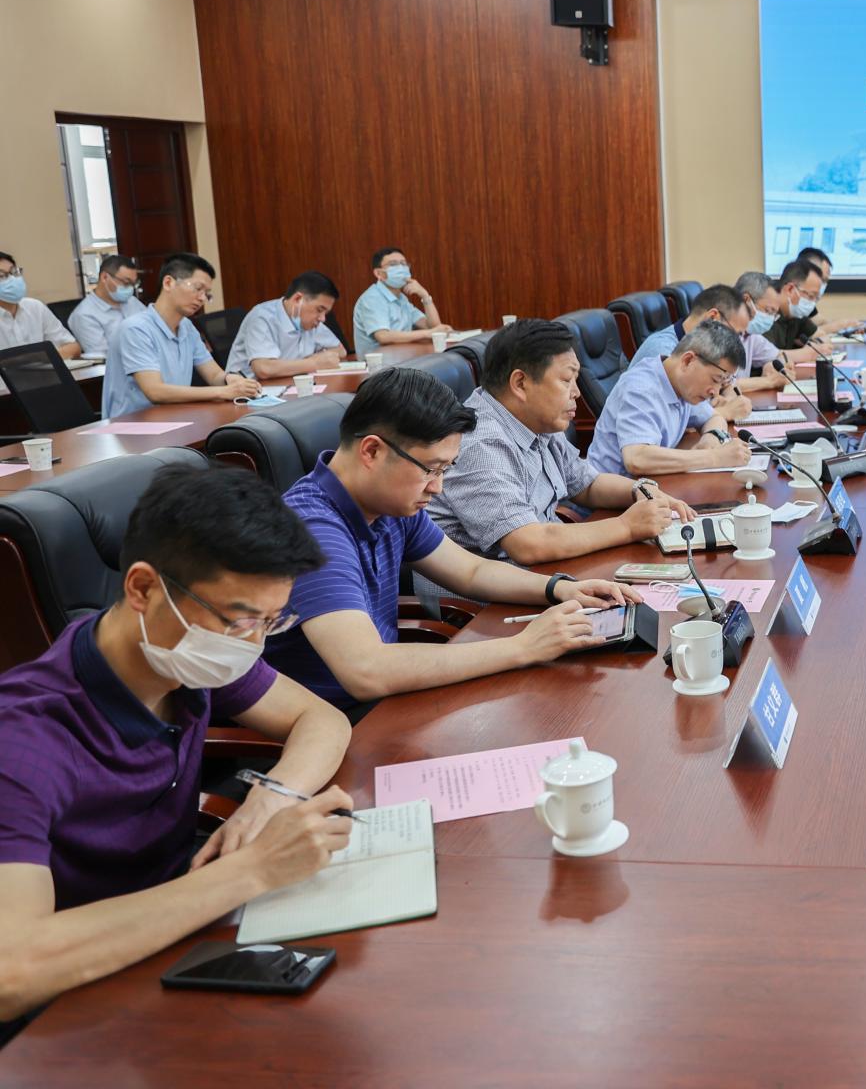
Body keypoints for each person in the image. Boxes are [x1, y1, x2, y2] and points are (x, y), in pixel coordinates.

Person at [0, 465, 354, 1036]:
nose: (251, 645)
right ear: (142, 588)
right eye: (239, 621)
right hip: (77, 1000)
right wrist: (252, 870)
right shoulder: (24, 741)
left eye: (269, 622)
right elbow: (12, 970)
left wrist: (272, 797)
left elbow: (321, 719)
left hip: (183, 928)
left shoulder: (187, 657)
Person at [263, 368, 646, 709]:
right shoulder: (312, 529)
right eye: (431, 469)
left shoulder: (388, 502)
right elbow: (367, 670)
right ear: (372, 451)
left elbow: (471, 571)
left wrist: (560, 588)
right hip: (339, 720)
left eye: (446, 469)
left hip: (391, 701)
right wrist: (523, 646)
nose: (438, 487)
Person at [429, 320, 694, 566]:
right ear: (520, 383)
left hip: (547, 572)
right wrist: (627, 526)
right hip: (494, 596)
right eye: (567, 380)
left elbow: (587, 484)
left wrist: (640, 490)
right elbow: (528, 543)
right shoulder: (481, 444)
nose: (576, 392)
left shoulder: (537, 421)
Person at [101, 252, 259, 418]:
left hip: (173, 416)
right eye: (198, 289)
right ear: (168, 283)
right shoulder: (135, 329)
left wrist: (230, 379)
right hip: (132, 425)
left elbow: (214, 375)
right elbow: (155, 391)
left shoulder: (186, 327)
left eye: (206, 293)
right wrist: (223, 392)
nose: (202, 298)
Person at [586, 321, 751, 477]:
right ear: (688, 360)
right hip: (610, 493)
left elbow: (714, 417)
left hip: (650, 487)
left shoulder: (683, 385)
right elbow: (637, 458)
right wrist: (714, 457)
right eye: (715, 379)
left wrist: (712, 436)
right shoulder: (641, 387)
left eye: (722, 383)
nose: (715, 392)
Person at [636, 285, 756, 416]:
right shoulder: (662, 349)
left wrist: (726, 399)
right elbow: (678, 415)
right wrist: (725, 412)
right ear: (712, 318)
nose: (736, 341)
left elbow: (728, 385)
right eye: (735, 334)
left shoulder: (709, 353)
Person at [224, 272, 346, 380]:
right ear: (298, 299)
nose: (322, 319)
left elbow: (340, 351)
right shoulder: (262, 317)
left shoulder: (310, 322)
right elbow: (264, 368)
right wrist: (314, 363)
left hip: (286, 384)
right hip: (248, 392)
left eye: (325, 313)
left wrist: (313, 360)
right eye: (319, 310)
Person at [0, 252, 81, 396]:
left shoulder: (35, 307)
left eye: (14, 273)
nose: (12, 280)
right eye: (2, 276)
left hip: (48, 387)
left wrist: (33, 359)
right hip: (6, 395)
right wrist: (44, 357)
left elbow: (72, 347)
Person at [351, 247, 448, 355]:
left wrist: (425, 295)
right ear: (378, 273)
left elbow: (433, 327)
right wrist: (427, 333)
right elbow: (383, 336)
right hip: (380, 363)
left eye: (403, 263)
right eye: (393, 264)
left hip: (403, 357)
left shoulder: (401, 298)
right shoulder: (372, 298)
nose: (401, 268)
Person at [732, 271, 807, 393]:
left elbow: (777, 355)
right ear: (746, 300)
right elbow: (723, 386)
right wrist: (770, 381)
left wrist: (774, 364)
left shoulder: (749, 334)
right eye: (768, 311)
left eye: (774, 314)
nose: (770, 319)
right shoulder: (719, 332)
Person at [65, 255, 146, 357]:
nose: (130, 288)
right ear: (104, 277)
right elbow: (103, 357)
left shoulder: (132, 301)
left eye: (133, 283)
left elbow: (151, 329)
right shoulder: (84, 315)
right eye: (126, 282)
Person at [794, 247, 862, 338]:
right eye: (821, 279)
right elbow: (801, 335)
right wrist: (840, 325)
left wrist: (847, 325)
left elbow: (819, 321)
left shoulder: (807, 302)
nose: (822, 285)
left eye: (826, 281)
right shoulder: (790, 301)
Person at [765, 257, 827, 352]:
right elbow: (768, 355)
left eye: (816, 298)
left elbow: (823, 337)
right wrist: (807, 352)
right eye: (811, 296)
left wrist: (814, 344)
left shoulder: (795, 313)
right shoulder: (766, 312)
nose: (813, 303)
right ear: (790, 289)